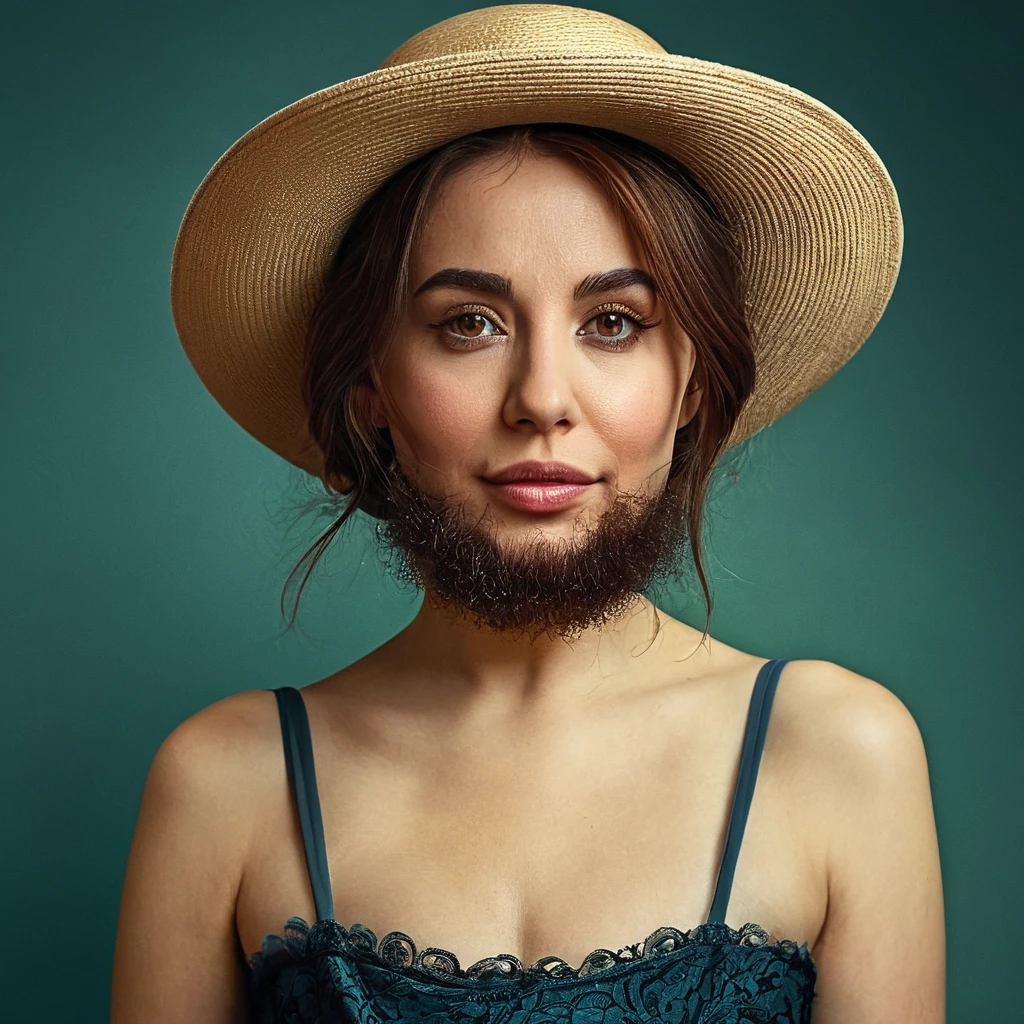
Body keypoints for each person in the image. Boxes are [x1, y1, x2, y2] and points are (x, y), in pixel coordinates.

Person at [111, 5, 945, 1022]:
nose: (542, 397)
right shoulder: (224, 783)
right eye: (469, 323)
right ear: (370, 385)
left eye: (614, 322)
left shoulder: (838, 752)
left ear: (691, 384)